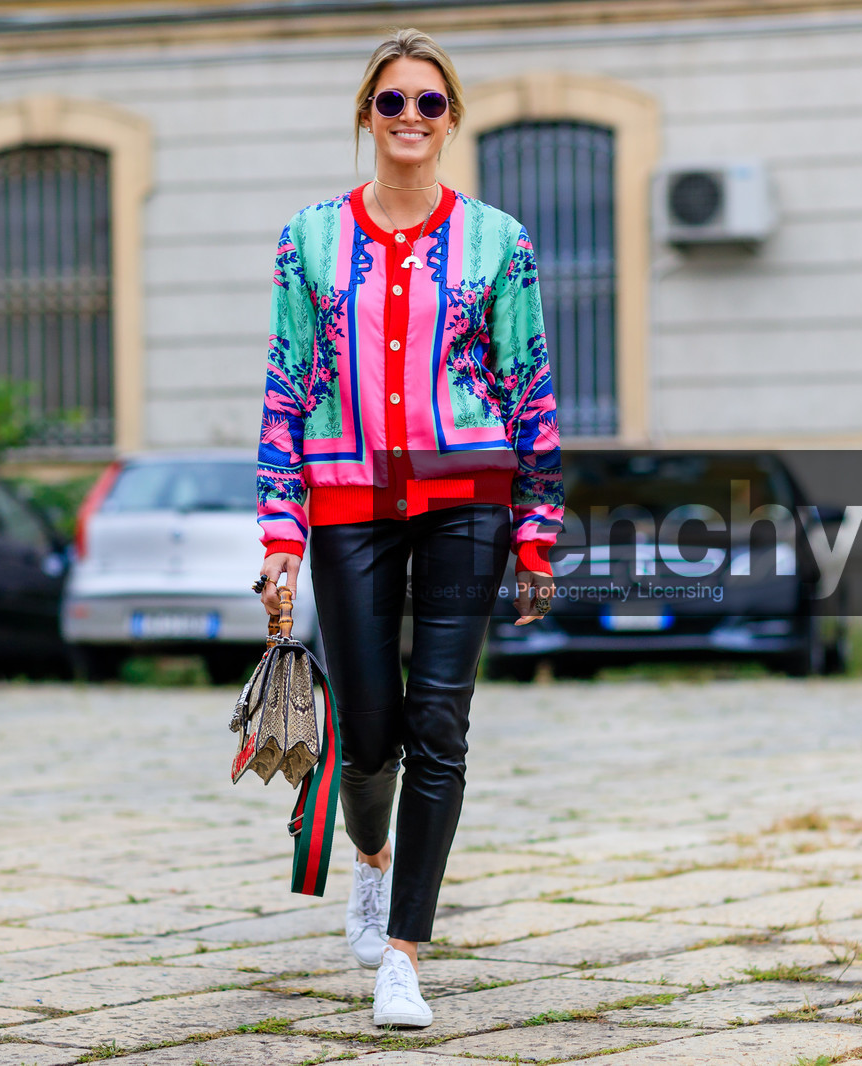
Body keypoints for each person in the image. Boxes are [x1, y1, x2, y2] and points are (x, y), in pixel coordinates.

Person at [254, 27, 562, 1029]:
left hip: (466, 498)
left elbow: (529, 388)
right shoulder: (308, 240)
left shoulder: (498, 244)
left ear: (451, 118)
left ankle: (402, 952)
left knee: (439, 721)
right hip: (346, 505)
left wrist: (536, 530)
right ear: (367, 116)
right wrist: (279, 532)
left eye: (430, 103)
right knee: (370, 729)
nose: (412, 119)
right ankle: (371, 861)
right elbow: (284, 389)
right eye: (394, 102)